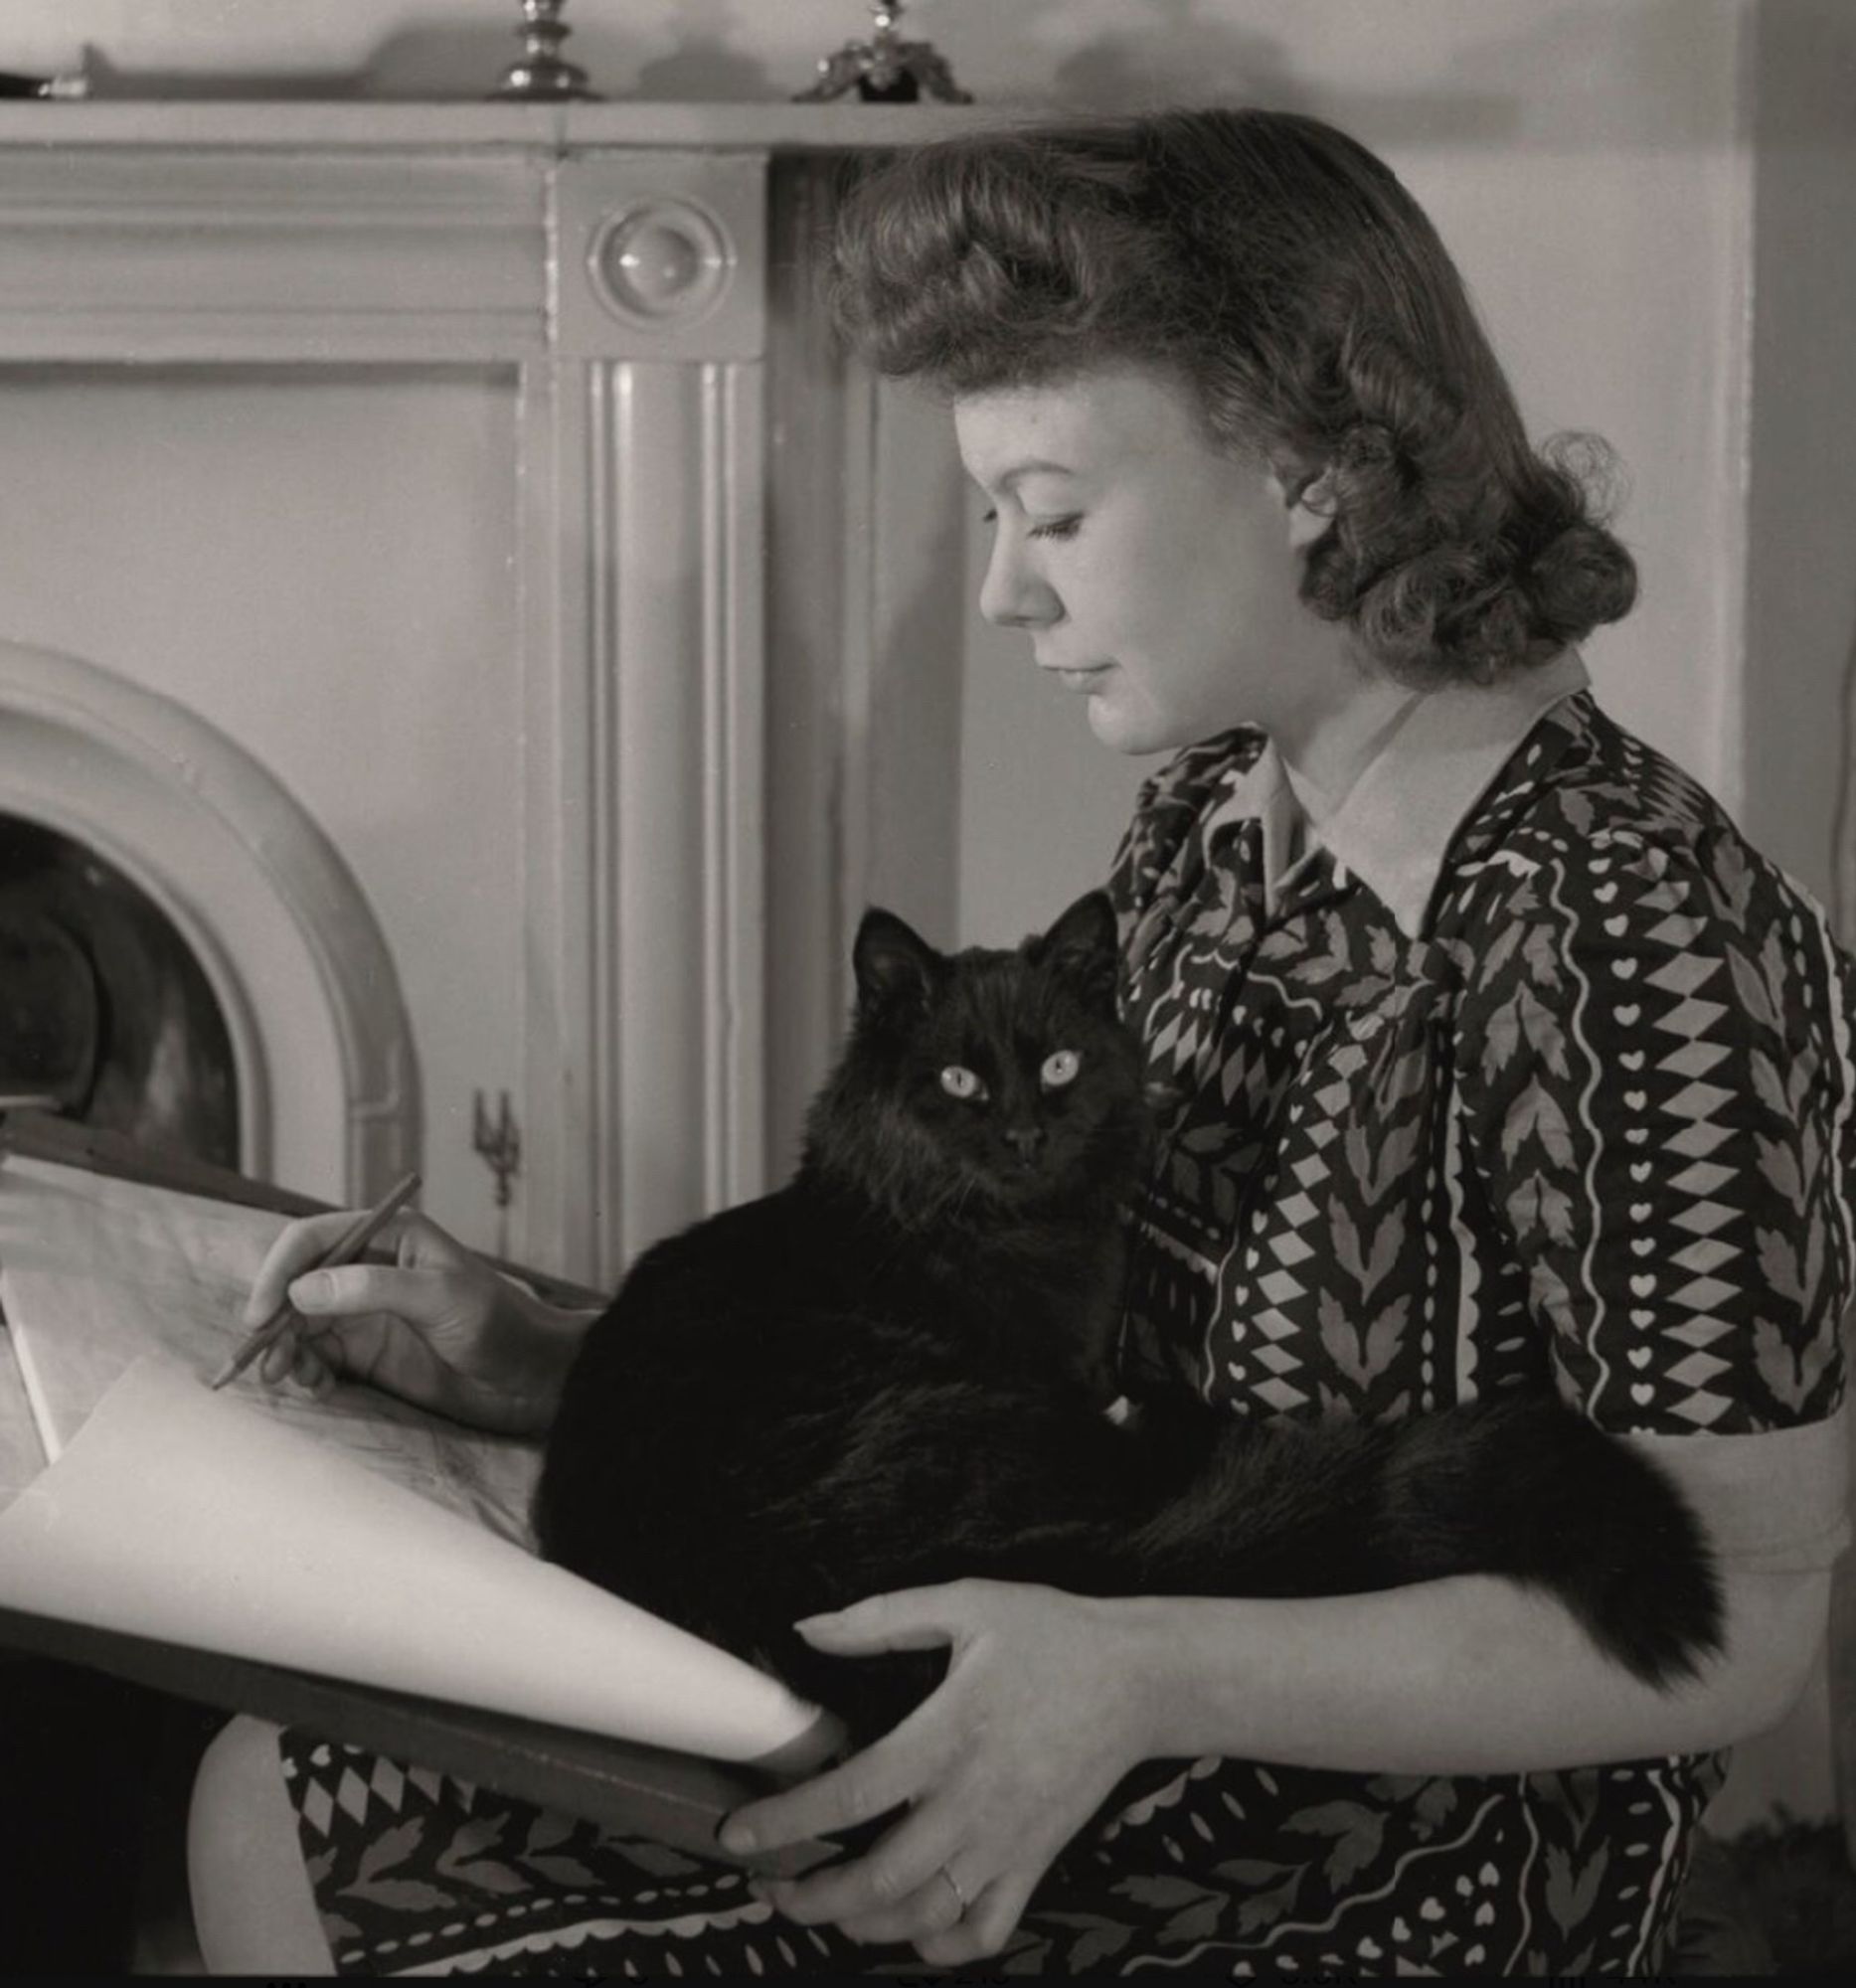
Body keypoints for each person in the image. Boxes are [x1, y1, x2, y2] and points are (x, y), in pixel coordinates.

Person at [189, 108, 1850, 1977]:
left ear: (1313, 468)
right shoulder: (1218, 814)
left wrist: (1134, 1676)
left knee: (309, 1837)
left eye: (1054, 513)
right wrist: (550, 1362)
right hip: (1098, 1627)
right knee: (283, 1781)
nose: (1003, 592)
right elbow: (1014, 1336)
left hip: (1380, 1847)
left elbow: (1751, 1618)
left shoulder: (1631, 921)